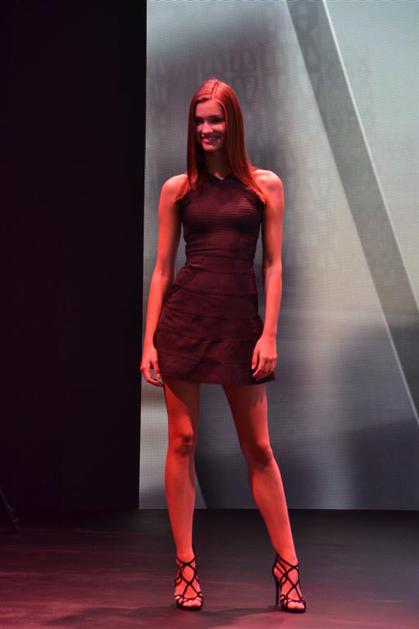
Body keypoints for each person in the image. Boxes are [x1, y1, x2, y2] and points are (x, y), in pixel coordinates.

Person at [140, 77, 306, 613]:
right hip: (185, 322)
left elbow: (274, 265)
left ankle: (288, 567)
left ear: (233, 122)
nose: (206, 129)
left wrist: (270, 333)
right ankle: (185, 566)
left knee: (258, 449)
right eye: (199, 121)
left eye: (215, 119)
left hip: (239, 326)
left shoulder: (264, 185)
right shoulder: (178, 188)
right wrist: (149, 342)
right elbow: (162, 270)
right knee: (182, 442)